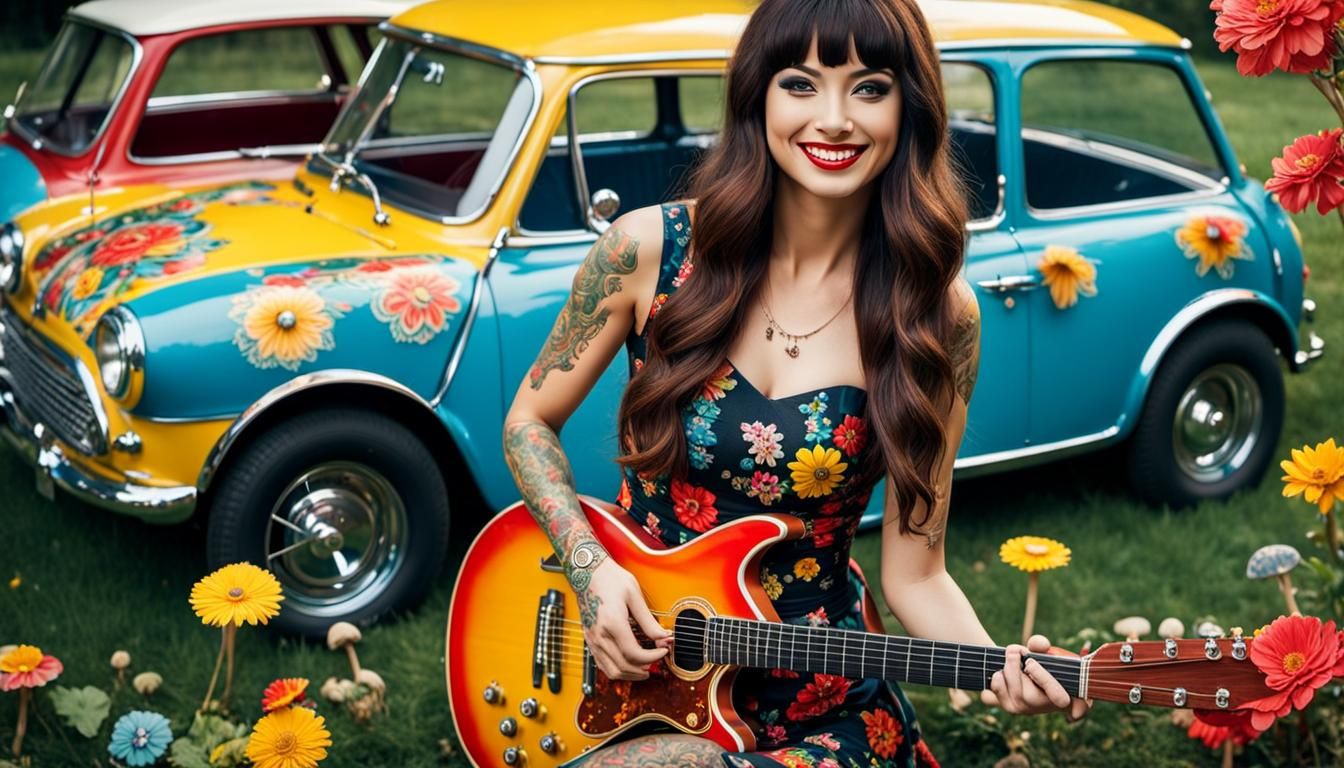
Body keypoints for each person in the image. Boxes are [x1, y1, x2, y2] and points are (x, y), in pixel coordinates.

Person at [502, 0, 1091, 764]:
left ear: (910, 107)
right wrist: (590, 572)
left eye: (870, 87)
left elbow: (917, 574)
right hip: (639, 673)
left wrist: (998, 667)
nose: (836, 119)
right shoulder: (649, 250)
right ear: (759, 96)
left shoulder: (937, 315)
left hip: (823, 702)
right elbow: (527, 421)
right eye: (801, 84)